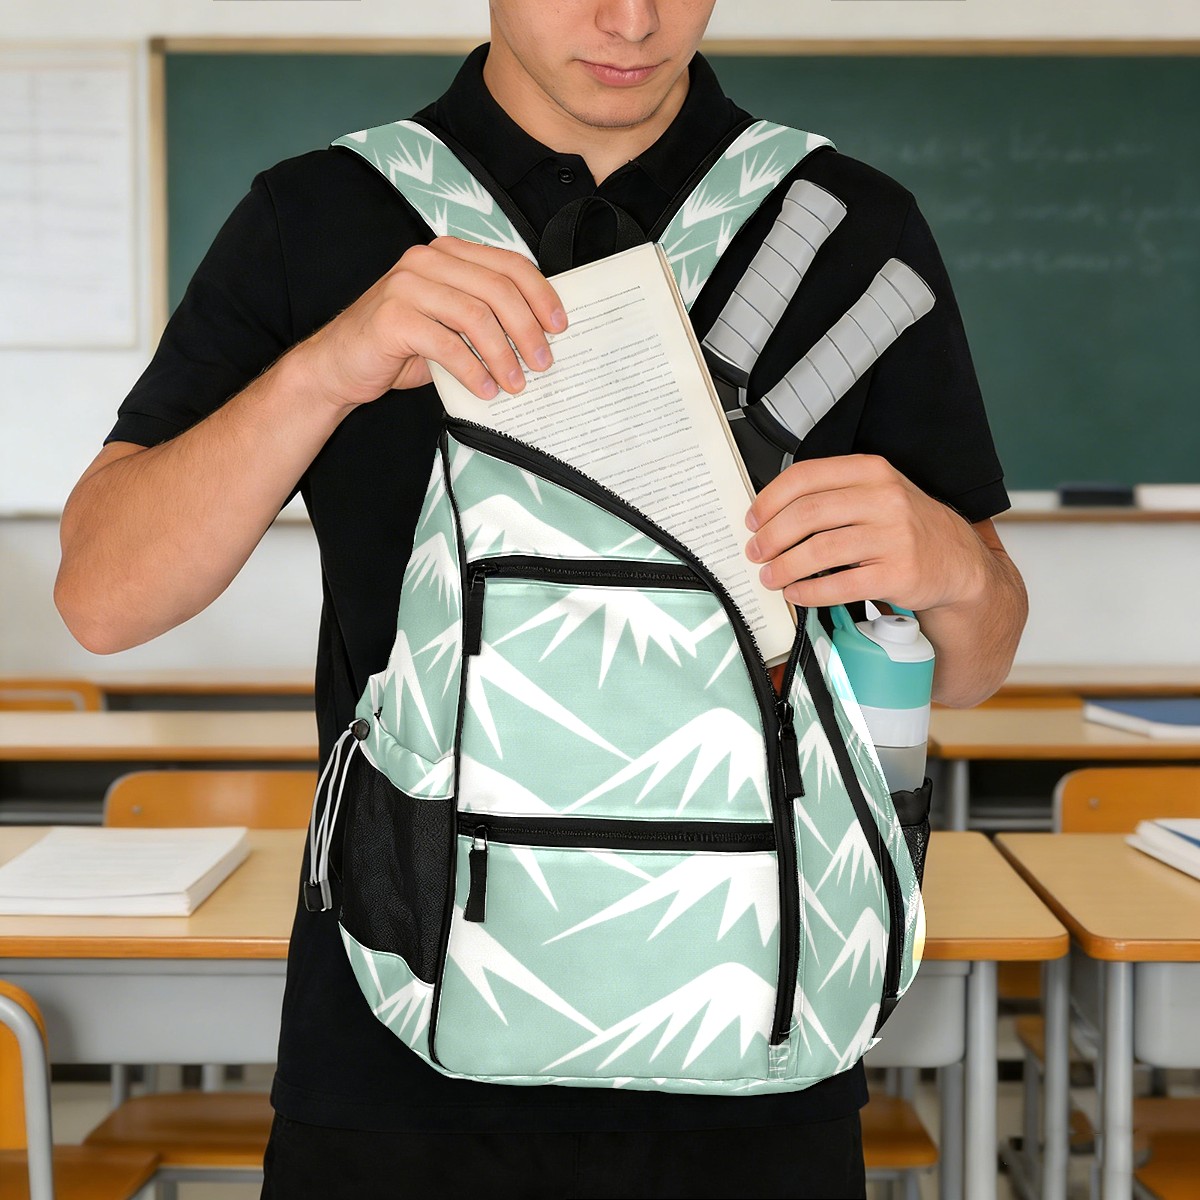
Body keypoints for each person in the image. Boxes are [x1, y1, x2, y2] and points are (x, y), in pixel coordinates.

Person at [56, 2, 1028, 1196]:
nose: (633, 18)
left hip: (761, 1044)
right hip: (398, 1060)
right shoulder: (319, 217)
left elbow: (977, 663)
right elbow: (102, 598)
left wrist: (954, 563)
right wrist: (325, 369)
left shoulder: (848, 228)